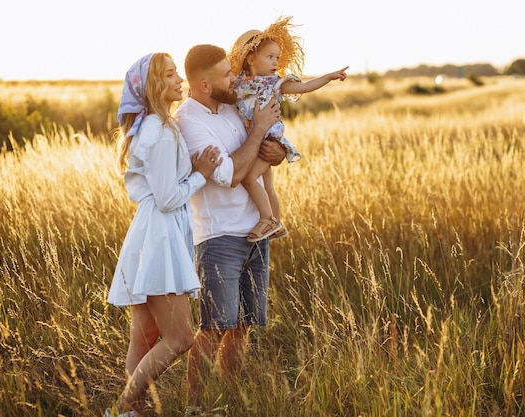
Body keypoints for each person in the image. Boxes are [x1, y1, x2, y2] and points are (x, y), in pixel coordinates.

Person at [106, 52, 222, 417]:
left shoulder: (158, 125)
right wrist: (201, 173)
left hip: (154, 231)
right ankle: (126, 403)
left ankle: (130, 412)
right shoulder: (157, 131)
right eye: (170, 75)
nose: (178, 80)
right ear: (154, 85)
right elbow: (169, 197)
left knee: (144, 336)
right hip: (159, 237)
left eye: (176, 73)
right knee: (180, 338)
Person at [174, 44, 285, 414]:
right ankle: (195, 407)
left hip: (255, 229)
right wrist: (259, 137)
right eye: (225, 74)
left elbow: (259, 148)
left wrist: (276, 151)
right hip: (219, 236)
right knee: (214, 327)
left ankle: (231, 399)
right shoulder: (189, 122)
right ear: (204, 84)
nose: (234, 77)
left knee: (243, 326)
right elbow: (231, 175)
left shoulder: (231, 106)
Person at [229, 16, 348, 242]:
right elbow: (222, 88)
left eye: (277, 57)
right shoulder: (241, 82)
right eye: (269, 56)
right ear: (251, 59)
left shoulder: (276, 82)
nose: (275, 62)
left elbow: (305, 86)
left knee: (250, 179)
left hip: (269, 139)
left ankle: (269, 219)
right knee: (267, 183)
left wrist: (329, 77)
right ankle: (277, 222)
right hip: (254, 139)